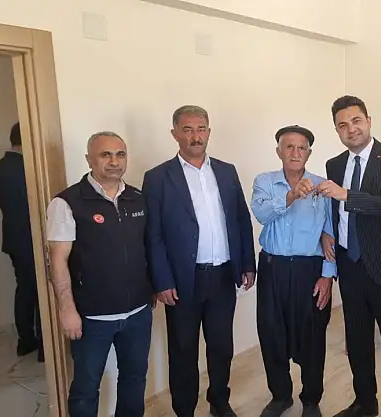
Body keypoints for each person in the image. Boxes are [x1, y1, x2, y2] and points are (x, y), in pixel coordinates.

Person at [143, 105, 256, 417]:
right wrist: (162, 280)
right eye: (188, 129)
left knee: (221, 347)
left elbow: (241, 219)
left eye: (201, 129)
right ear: (175, 134)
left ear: (209, 131)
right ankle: (185, 410)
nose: (196, 136)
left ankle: (219, 401)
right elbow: (153, 235)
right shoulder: (158, 177)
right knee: (183, 350)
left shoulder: (226, 171)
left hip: (222, 275)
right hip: (182, 280)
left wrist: (247, 263)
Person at [316, 96, 381, 417]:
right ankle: (365, 403)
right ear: (336, 130)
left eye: (356, 121)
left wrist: (346, 195)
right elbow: (334, 209)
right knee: (357, 341)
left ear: (369, 121)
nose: (351, 129)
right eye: (342, 125)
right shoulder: (334, 164)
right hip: (350, 265)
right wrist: (327, 232)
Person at [47, 132, 155, 417]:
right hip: (91, 318)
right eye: (105, 155)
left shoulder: (138, 199)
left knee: (134, 380)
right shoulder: (67, 203)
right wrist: (67, 310)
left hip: (138, 313)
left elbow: (148, 248)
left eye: (120, 154)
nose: (114, 161)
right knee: (85, 389)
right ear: (89, 160)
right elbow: (58, 262)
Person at [251, 125, 336, 417]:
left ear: (309, 153)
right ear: (279, 151)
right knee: (271, 333)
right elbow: (261, 214)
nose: (295, 153)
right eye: (289, 147)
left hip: (309, 270)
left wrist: (327, 275)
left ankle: (311, 399)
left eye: (301, 148)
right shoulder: (264, 181)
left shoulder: (323, 186)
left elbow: (331, 233)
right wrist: (290, 197)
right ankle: (281, 396)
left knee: (312, 336)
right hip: (272, 268)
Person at [0, 122, 43, 361]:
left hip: (13, 238)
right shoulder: (27, 168)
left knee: (25, 289)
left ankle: (25, 340)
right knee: (41, 291)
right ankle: (45, 348)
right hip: (33, 238)